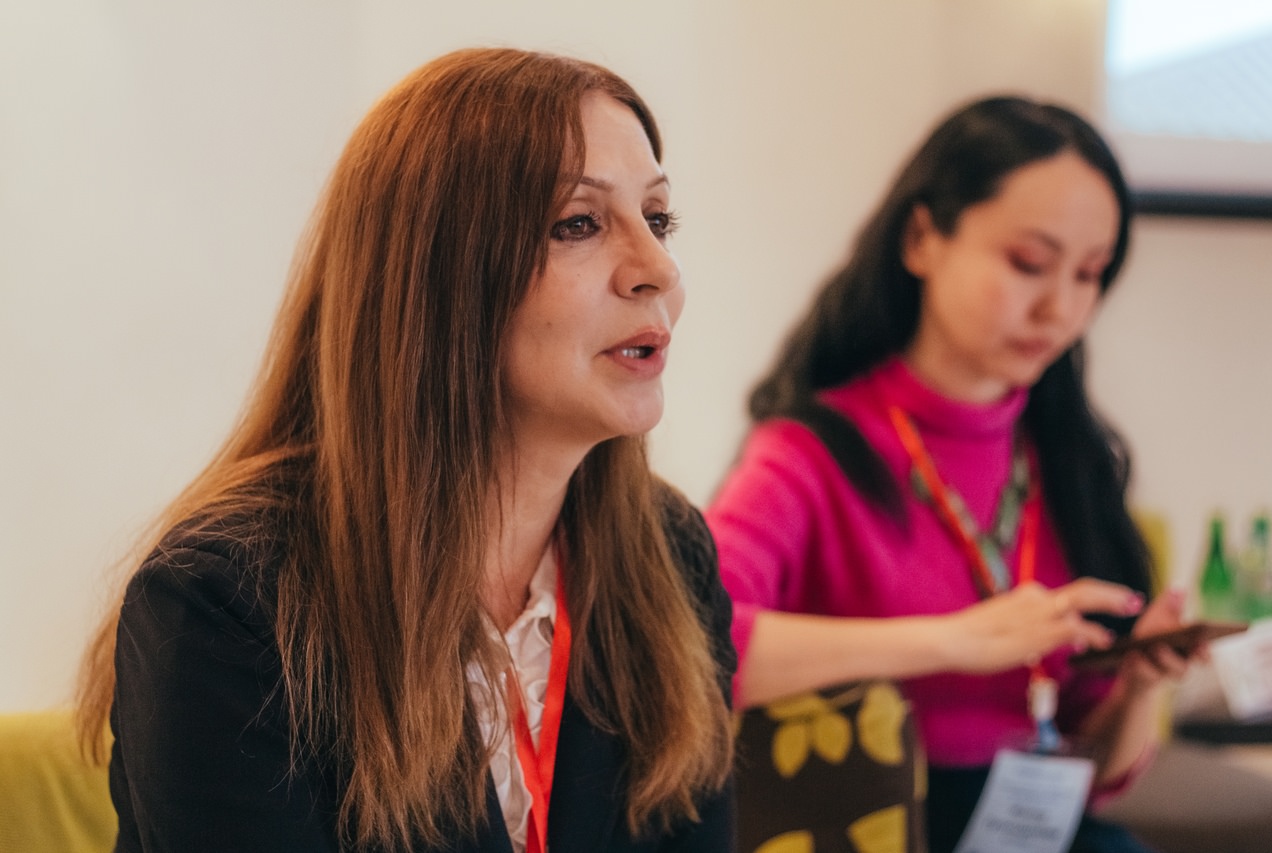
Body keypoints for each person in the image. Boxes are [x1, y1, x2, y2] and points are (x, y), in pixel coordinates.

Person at [75, 47, 736, 853]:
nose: (658, 268)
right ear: (436, 278)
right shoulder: (223, 606)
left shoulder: (672, 554)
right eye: (578, 224)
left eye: (659, 218)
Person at [707, 96, 1199, 853]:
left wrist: (1140, 682)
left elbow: (1093, 774)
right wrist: (951, 642)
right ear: (921, 239)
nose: (1060, 308)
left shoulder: (1069, 459)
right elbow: (697, 640)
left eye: (1090, 274)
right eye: (1028, 263)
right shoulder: (810, 451)